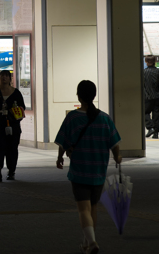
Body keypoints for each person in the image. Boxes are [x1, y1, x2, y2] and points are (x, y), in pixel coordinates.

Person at [55, 80, 122, 254]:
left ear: (78, 95)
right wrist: (117, 156)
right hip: (98, 172)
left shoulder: (73, 117)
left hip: (80, 171)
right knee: (92, 208)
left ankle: (92, 242)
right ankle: (86, 243)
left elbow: (63, 140)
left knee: (83, 209)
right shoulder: (105, 118)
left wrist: (60, 157)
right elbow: (115, 143)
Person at [143, 56, 159, 139]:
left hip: (147, 97)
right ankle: (156, 133)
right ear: (155, 61)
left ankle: (150, 128)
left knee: (145, 113)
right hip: (157, 97)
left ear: (146, 61)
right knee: (156, 115)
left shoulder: (144, 72)